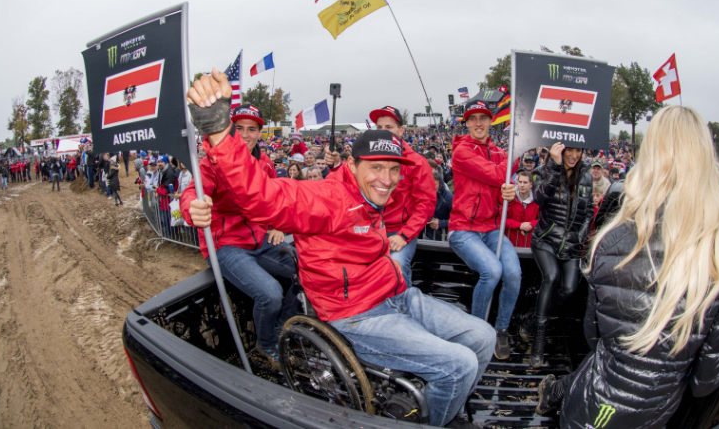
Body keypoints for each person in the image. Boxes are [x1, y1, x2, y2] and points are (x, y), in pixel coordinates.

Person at [185, 70, 495, 429]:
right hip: (357, 317)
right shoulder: (330, 198)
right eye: (376, 167)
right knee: (459, 365)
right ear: (352, 165)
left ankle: (447, 407)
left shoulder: (372, 197)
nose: (387, 179)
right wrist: (219, 132)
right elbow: (264, 197)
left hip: (396, 297)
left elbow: (417, 189)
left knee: (483, 337)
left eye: (394, 170)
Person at [536, 106, 719, 429]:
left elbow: (594, 336)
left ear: (650, 158)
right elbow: (706, 381)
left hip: (597, 407)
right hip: (659, 412)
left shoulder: (612, 240)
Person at [181, 102, 296, 368]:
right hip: (227, 246)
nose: (245, 134)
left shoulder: (265, 163)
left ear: (259, 133)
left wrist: (277, 224)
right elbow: (193, 193)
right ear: (230, 130)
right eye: (239, 128)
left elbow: (274, 200)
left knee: (309, 268)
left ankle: (281, 329)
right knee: (270, 294)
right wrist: (192, 209)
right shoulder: (211, 162)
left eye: (252, 129)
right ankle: (265, 347)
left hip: (261, 241)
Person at [447, 100, 520, 360]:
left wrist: (507, 195)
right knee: (493, 270)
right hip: (464, 229)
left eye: (483, 118)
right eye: (473, 118)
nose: (478, 123)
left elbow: (501, 190)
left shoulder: (501, 153)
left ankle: (500, 328)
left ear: (491, 122)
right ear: (466, 123)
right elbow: (499, 175)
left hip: (490, 228)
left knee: (513, 273)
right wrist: (518, 151)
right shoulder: (462, 151)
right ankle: (477, 331)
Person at [522, 142, 594, 368]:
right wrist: (553, 166)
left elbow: (589, 210)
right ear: (560, 151)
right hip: (545, 239)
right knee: (551, 277)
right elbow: (540, 198)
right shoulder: (544, 170)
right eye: (569, 150)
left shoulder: (587, 177)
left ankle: (533, 317)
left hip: (572, 243)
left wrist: (579, 236)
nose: (573, 155)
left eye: (578, 151)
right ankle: (539, 342)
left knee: (570, 289)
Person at [365, 105, 436, 286]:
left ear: (401, 130)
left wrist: (404, 235)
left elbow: (425, 205)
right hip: (371, 229)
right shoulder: (366, 160)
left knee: (397, 268)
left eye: (389, 128)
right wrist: (334, 165)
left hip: (400, 230)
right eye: (379, 128)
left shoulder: (417, 162)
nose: (383, 132)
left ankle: (404, 311)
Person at [498, 170, 539, 248]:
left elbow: (543, 220)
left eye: (525, 182)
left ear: (531, 184)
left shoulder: (537, 201)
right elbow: (501, 220)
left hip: (530, 246)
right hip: (510, 245)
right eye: (520, 182)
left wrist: (530, 225)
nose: (522, 185)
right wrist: (519, 225)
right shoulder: (509, 199)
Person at [424, 171, 453, 241]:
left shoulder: (448, 197)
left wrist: (440, 223)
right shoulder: (423, 195)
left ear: (440, 185)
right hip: (424, 238)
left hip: (443, 239)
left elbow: (458, 220)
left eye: (435, 184)